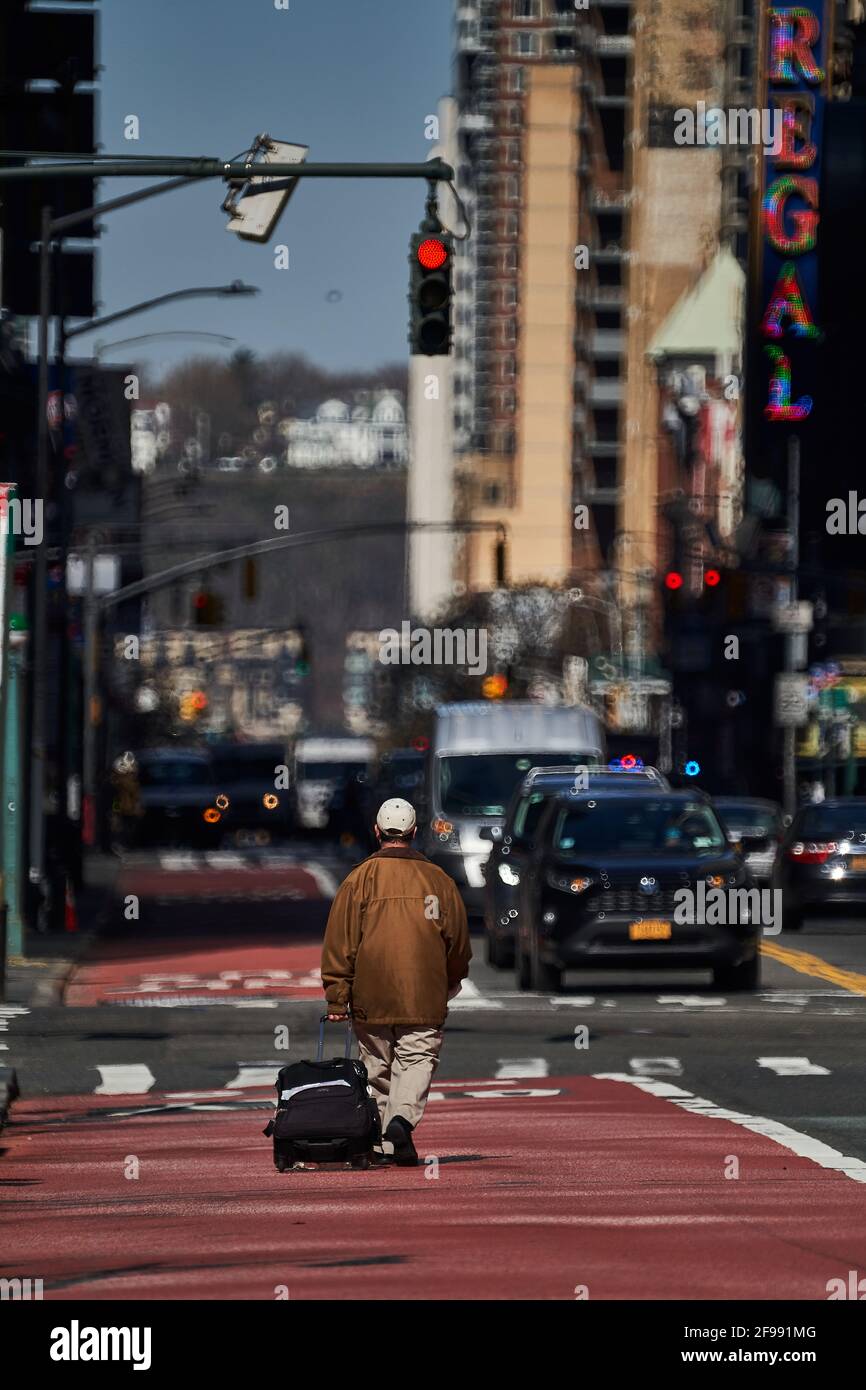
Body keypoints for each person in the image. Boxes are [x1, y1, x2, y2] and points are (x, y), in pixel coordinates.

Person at [321, 796, 471, 1166]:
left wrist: (338, 998)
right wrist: (450, 981)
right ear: (414, 832)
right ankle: (401, 1121)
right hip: (424, 991)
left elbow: (341, 944)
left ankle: (379, 1141)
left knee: (376, 1065)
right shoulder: (438, 879)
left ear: (376, 832)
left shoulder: (358, 880)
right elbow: (458, 943)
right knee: (417, 1057)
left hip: (371, 992)